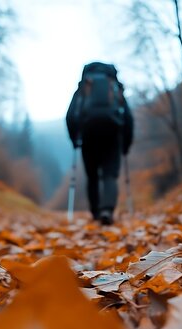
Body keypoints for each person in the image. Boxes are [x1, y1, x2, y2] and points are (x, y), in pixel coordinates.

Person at [66, 62, 134, 225]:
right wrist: (125, 145)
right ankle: (107, 210)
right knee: (110, 174)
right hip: (112, 133)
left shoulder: (83, 88)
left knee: (92, 176)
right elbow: (129, 119)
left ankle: (96, 213)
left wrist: (75, 140)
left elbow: (70, 116)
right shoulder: (115, 87)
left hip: (88, 134)